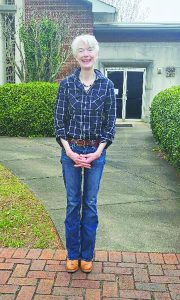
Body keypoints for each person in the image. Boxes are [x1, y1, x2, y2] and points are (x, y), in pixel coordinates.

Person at [54, 34, 116, 273]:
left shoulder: (107, 86)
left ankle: (87, 255)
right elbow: (59, 123)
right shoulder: (66, 85)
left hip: (96, 153)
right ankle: (73, 254)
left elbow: (109, 125)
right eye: (81, 50)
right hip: (70, 151)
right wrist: (69, 151)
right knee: (72, 204)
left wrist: (96, 153)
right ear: (75, 55)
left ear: (96, 53)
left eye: (90, 49)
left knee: (89, 204)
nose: (86, 53)